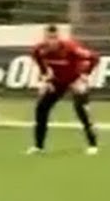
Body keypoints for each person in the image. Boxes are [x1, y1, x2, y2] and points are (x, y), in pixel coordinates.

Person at [27, 25, 99, 155]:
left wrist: (84, 75)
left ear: (58, 38)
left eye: (54, 38)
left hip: (75, 79)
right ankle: (38, 146)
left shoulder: (70, 47)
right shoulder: (39, 49)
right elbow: (40, 63)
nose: (52, 41)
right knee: (41, 108)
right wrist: (46, 79)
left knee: (81, 110)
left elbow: (94, 57)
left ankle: (93, 144)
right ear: (44, 38)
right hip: (57, 81)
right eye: (49, 38)